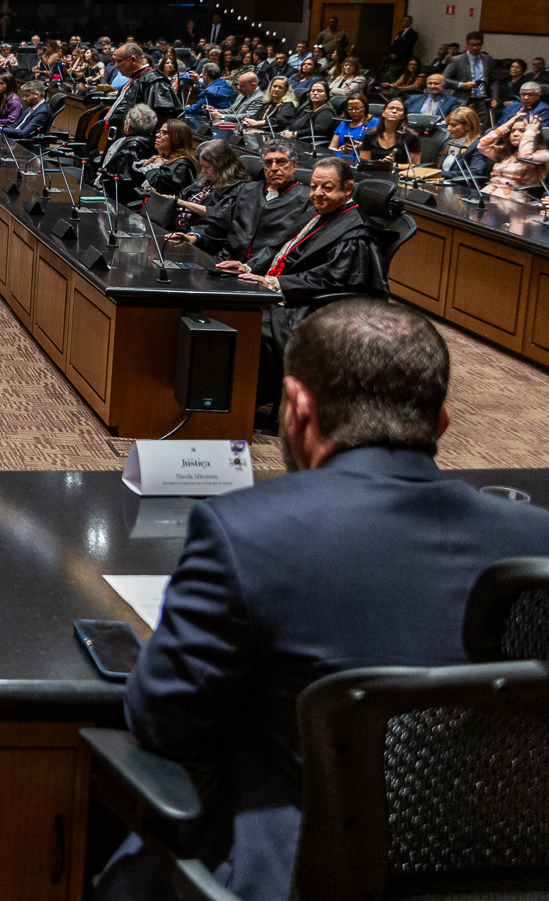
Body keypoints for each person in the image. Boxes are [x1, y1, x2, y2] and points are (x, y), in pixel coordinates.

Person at [97, 300, 549, 901]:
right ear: (441, 423)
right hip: (499, 873)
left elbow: (163, 721)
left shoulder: (245, 532)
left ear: (298, 409)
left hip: (293, 870)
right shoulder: (536, 541)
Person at [222, 158, 387, 413]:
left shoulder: (356, 233)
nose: (317, 194)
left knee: (249, 324)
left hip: (314, 305)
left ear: (348, 189)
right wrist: (249, 267)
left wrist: (275, 283)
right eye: (314, 187)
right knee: (224, 305)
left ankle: (240, 405)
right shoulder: (316, 212)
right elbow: (280, 248)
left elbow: (333, 279)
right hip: (287, 291)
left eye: (327, 188)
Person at [162, 139, 247, 257]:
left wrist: (183, 203)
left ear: (222, 165)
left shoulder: (237, 189)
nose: (203, 170)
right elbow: (182, 196)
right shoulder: (205, 180)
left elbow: (219, 215)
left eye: (207, 166)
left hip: (203, 242)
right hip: (177, 229)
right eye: (202, 166)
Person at [437, 107, 491, 184]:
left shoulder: (477, 146)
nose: (448, 128)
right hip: (443, 183)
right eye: (448, 124)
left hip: (462, 188)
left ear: (467, 126)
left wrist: (440, 174)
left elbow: (475, 172)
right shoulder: (447, 144)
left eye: (453, 125)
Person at [441, 30, 495, 106]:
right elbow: (443, 78)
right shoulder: (457, 60)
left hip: (483, 100)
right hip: (463, 100)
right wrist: (461, 84)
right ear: (466, 45)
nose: (475, 47)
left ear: (482, 44)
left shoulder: (487, 59)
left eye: (477, 45)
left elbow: (493, 80)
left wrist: (495, 98)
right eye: (472, 45)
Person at [357, 97, 413, 168]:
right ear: (383, 113)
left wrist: (394, 165)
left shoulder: (410, 136)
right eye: (390, 108)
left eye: (399, 110)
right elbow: (364, 162)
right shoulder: (370, 134)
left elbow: (414, 165)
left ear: (403, 116)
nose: (394, 111)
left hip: (399, 175)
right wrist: (380, 164)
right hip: (373, 173)